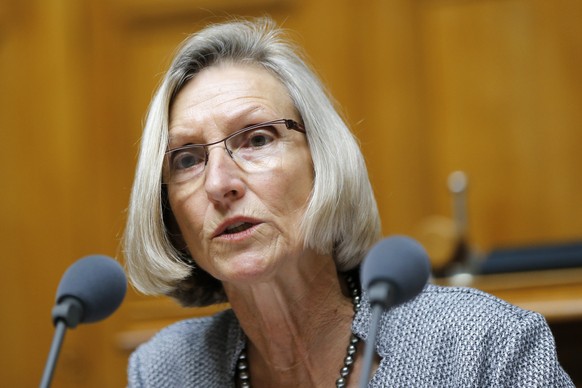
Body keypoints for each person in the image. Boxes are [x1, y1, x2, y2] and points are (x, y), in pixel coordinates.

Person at [123, 17, 574, 387]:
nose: (220, 183)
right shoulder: (166, 371)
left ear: (325, 162)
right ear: (169, 213)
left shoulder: (480, 347)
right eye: (187, 159)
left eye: (258, 139)